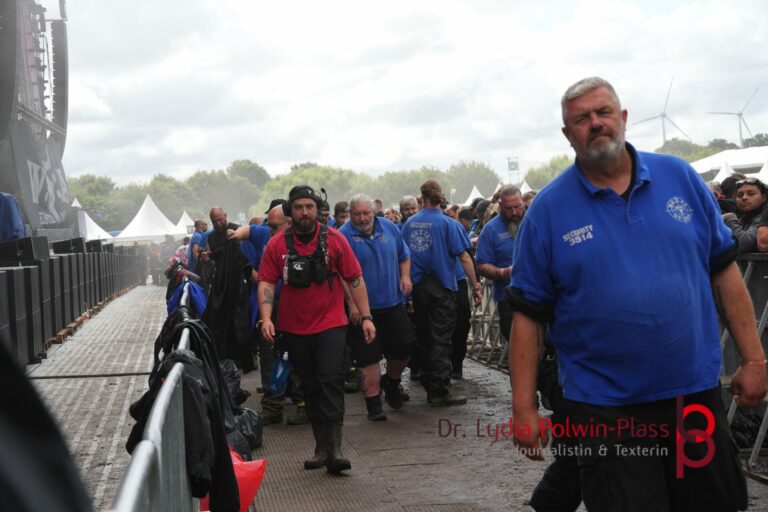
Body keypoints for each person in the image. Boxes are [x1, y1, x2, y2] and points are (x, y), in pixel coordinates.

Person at [510, 76, 767, 512]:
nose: (595, 123)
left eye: (603, 112)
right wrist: (523, 410)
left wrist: (755, 360)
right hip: (606, 408)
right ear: (567, 133)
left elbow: (725, 274)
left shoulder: (680, 178)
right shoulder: (548, 211)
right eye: (581, 119)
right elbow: (528, 317)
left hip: (693, 396)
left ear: (623, 118)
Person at [258, 184, 376, 474]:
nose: (304, 212)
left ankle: (335, 450)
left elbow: (355, 279)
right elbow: (266, 282)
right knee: (308, 387)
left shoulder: (335, 240)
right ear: (290, 212)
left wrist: (367, 317)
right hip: (294, 328)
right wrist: (267, 317)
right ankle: (321, 448)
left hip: (331, 325)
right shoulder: (277, 245)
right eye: (298, 207)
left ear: (317, 209)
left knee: (330, 381)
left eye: (309, 207)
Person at [402, 179, 482, 406]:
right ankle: (438, 389)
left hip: (417, 286)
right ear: (439, 197)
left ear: (422, 198)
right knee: (441, 337)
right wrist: (475, 284)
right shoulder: (449, 224)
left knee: (425, 335)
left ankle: (428, 380)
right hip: (441, 286)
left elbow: (403, 256)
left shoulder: (409, 224)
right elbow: (464, 256)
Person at [339, 194, 415, 420]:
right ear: (349, 214)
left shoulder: (390, 228)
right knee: (367, 357)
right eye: (357, 214)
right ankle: (374, 405)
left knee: (405, 346)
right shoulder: (343, 236)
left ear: (373, 212)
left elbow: (404, 255)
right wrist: (352, 304)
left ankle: (391, 382)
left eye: (366, 213)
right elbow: (340, 275)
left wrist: (405, 277)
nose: (362, 218)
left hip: (392, 303)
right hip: (363, 310)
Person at [475, 185, 523, 343]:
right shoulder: (490, 230)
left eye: (518, 206)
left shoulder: (534, 221)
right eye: (509, 208)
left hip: (539, 293)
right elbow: (482, 265)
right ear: (501, 206)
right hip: (508, 297)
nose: (514, 212)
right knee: (516, 341)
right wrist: (502, 272)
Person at [723, 177, 768, 254]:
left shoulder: (763, 219)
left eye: (751, 194)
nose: (744, 198)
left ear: (763, 198)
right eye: (740, 195)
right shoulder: (743, 220)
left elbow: (744, 245)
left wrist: (730, 218)